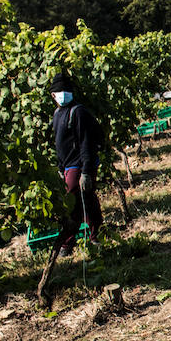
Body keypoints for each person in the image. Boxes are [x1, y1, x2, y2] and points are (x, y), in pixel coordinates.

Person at [50, 72, 103, 255]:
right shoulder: (57, 114)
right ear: (53, 96)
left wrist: (86, 171)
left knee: (72, 203)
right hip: (67, 166)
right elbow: (59, 144)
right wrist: (60, 168)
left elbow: (86, 142)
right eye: (59, 91)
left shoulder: (78, 112)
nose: (63, 94)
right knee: (87, 200)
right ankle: (96, 236)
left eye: (66, 90)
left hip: (79, 165)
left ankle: (67, 242)